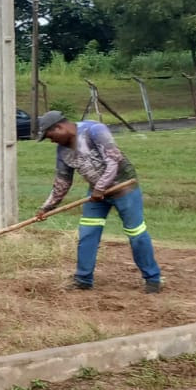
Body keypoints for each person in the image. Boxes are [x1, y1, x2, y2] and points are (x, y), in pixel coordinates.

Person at [36, 110, 162, 292]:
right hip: (97, 194)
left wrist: (100, 187)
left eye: (50, 135)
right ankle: (83, 279)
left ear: (60, 127)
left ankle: (153, 279)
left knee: (136, 233)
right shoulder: (63, 151)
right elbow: (63, 181)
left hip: (123, 188)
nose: (51, 140)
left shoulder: (94, 130)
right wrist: (46, 207)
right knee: (87, 233)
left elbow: (113, 160)